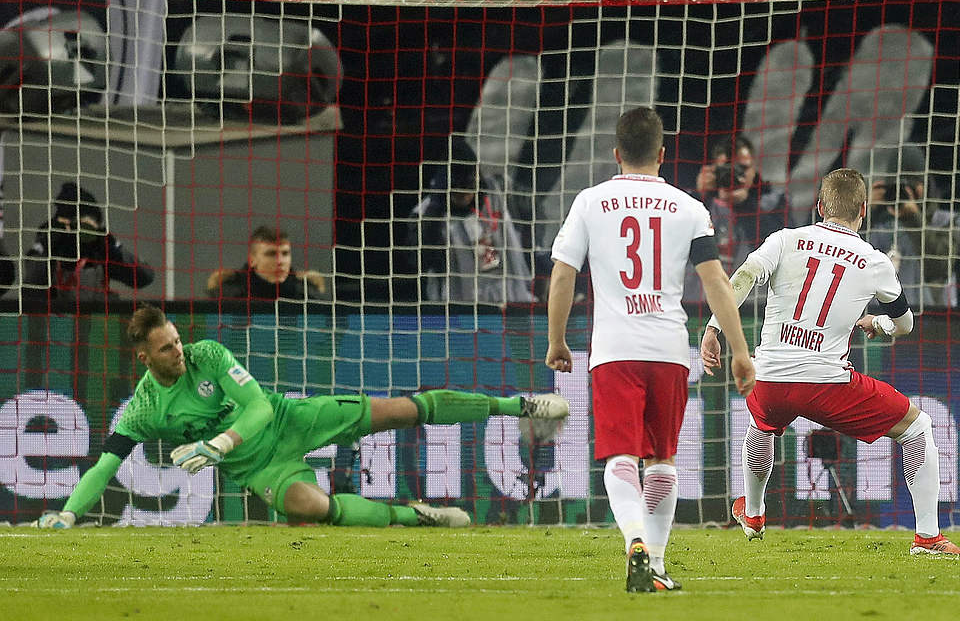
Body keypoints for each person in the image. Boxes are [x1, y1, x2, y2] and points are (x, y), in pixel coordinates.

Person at [35, 305, 568, 529]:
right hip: (258, 469)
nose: (180, 350)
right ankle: (418, 516)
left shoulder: (209, 356)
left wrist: (218, 444)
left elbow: (259, 405)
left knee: (401, 410)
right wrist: (68, 513)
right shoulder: (145, 410)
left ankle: (517, 405)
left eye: (177, 340)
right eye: (168, 349)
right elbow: (105, 465)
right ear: (144, 358)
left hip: (290, 420)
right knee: (312, 506)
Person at [701, 167, 960, 557]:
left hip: (771, 377)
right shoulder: (875, 260)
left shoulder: (786, 240)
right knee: (917, 428)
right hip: (828, 383)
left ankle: (755, 512)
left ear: (819, 207)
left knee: (762, 423)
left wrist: (714, 327)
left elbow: (742, 277)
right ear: (863, 210)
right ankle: (928, 537)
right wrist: (878, 322)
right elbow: (905, 323)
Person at [545, 106, 755, 593]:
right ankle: (656, 564)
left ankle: (633, 541)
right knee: (662, 460)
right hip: (668, 350)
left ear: (617, 153)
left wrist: (557, 340)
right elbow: (716, 283)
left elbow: (562, 273)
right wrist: (739, 349)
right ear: (662, 154)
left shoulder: (591, 202)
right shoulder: (689, 208)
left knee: (620, 456)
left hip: (615, 350)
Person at [401, 136, 534, 305]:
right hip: (461, 312)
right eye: (458, 191)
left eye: (469, 188)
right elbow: (418, 262)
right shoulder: (425, 215)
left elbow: (534, 222)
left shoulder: (499, 190)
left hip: (512, 301)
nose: (465, 195)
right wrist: (434, 212)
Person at [686, 135, 785, 301]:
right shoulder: (693, 203)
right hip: (696, 303)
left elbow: (779, 252)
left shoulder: (774, 202)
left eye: (743, 168)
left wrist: (745, 204)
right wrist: (699, 196)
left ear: (754, 169)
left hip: (751, 306)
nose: (735, 174)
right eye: (727, 168)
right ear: (713, 170)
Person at [23, 182, 154, 306]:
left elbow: (144, 277)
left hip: (96, 322)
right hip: (57, 323)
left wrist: (109, 248)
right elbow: (30, 288)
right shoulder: (51, 240)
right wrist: (50, 247)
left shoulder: (99, 247)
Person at [866, 169, 960, 311]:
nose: (903, 191)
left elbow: (939, 267)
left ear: (927, 186)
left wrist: (913, 218)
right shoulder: (875, 226)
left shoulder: (950, 221)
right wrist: (866, 210)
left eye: (911, 183)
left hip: (930, 317)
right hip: (878, 316)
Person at [206, 225, 327, 300]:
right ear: (252, 260)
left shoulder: (308, 294)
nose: (280, 261)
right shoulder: (226, 295)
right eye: (271, 254)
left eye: (285, 253)